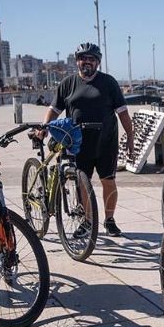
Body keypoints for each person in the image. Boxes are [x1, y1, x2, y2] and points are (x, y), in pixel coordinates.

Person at [42, 42, 133, 237]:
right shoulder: (68, 84)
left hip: (105, 142)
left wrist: (130, 137)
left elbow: (123, 112)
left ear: (98, 62)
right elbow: (54, 109)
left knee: (108, 181)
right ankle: (87, 221)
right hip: (78, 143)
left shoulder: (109, 83)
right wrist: (44, 127)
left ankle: (109, 220)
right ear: (77, 61)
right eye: (83, 58)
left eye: (91, 59)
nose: (87, 62)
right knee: (82, 182)